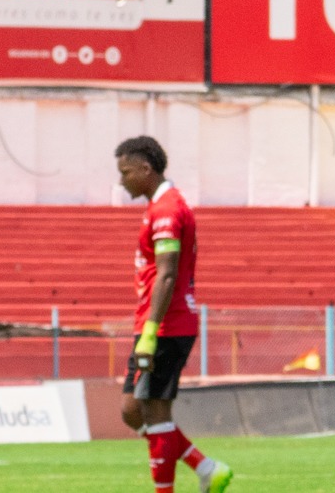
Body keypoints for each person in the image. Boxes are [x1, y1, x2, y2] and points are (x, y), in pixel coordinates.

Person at [116, 136, 232, 493]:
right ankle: (206, 468)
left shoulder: (167, 210)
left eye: (126, 172)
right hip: (158, 322)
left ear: (146, 169)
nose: (122, 181)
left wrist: (151, 331)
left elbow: (167, 273)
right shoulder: (159, 206)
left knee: (154, 412)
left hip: (166, 324)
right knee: (132, 410)